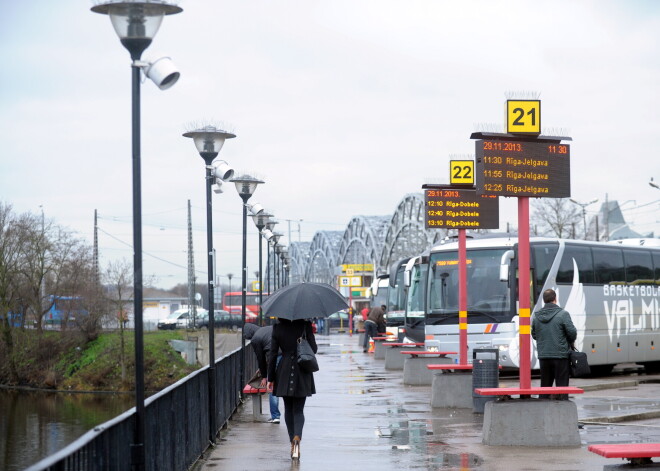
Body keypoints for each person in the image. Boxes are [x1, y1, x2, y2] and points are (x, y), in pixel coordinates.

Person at [267, 318, 317, 460]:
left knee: (288, 409)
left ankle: (292, 442)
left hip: (284, 369)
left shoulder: (277, 328)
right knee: (299, 410)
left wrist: (270, 378)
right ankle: (297, 437)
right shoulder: (305, 325)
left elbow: (273, 354)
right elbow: (314, 349)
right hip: (302, 370)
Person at [531, 288, 577, 399]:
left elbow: (534, 335)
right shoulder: (563, 314)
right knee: (562, 387)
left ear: (544, 300)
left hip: (544, 356)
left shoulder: (536, 317)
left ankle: (543, 410)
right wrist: (567, 341)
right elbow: (572, 333)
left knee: (545, 387)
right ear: (555, 299)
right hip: (560, 355)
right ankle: (562, 409)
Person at [249, 325, 281, 423]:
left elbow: (261, 358)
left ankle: (275, 416)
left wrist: (264, 376)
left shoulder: (255, 339)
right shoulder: (267, 329)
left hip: (275, 357)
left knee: (272, 385)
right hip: (285, 355)